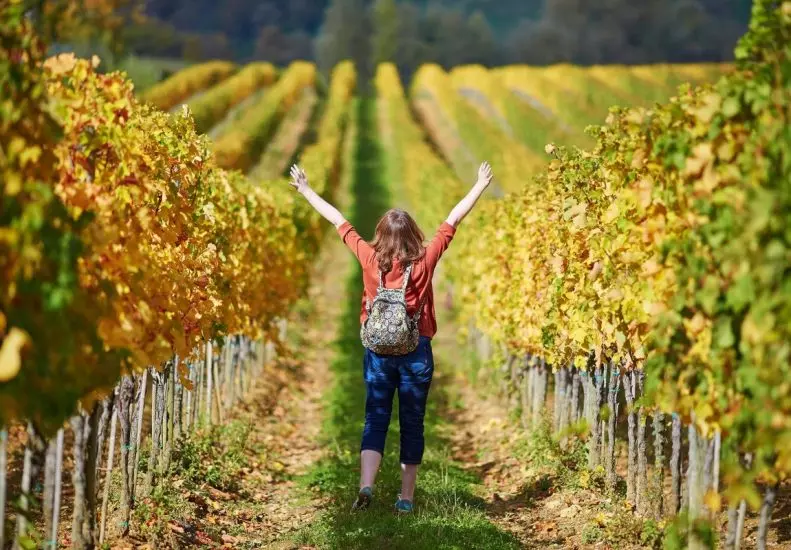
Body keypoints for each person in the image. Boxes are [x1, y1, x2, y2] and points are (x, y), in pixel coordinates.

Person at [288, 161, 494, 514]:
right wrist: (479, 185)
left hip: (379, 352)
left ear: (381, 235)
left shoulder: (369, 258)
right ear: (414, 235)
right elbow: (453, 219)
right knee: (412, 422)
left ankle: (366, 487)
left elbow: (338, 220)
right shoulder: (425, 260)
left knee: (376, 417)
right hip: (417, 350)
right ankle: (406, 499)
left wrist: (306, 190)